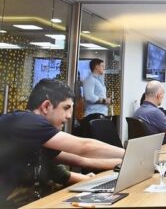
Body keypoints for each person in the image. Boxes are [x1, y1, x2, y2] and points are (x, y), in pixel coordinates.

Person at [0, 79, 124, 208]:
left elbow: (82, 161)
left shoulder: (37, 136)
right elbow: (84, 147)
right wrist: (128, 153)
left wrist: (128, 162)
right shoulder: (27, 121)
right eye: (66, 108)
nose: (69, 116)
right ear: (46, 106)